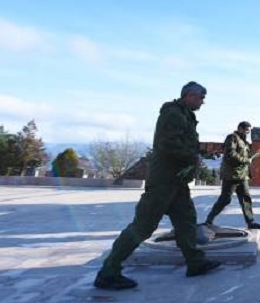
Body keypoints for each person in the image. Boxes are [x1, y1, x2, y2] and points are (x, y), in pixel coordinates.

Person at [94, 81, 222, 290]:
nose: (202, 102)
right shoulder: (173, 113)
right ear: (189, 95)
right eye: (201, 98)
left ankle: (195, 262)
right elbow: (168, 144)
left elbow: (184, 143)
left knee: (186, 221)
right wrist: (193, 157)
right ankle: (109, 271)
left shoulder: (185, 115)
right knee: (143, 226)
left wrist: (202, 152)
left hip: (177, 181)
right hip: (164, 180)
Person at [204, 121, 260, 230]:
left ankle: (251, 222)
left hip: (242, 176)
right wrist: (246, 160)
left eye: (249, 131)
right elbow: (230, 154)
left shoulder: (244, 142)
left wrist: (256, 154)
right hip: (231, 175)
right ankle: (209, 220)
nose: (248, 132)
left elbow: (246, 158)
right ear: (240, 128)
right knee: (225, 199)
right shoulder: (232, 138)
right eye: (246, 130)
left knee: (246, 199)